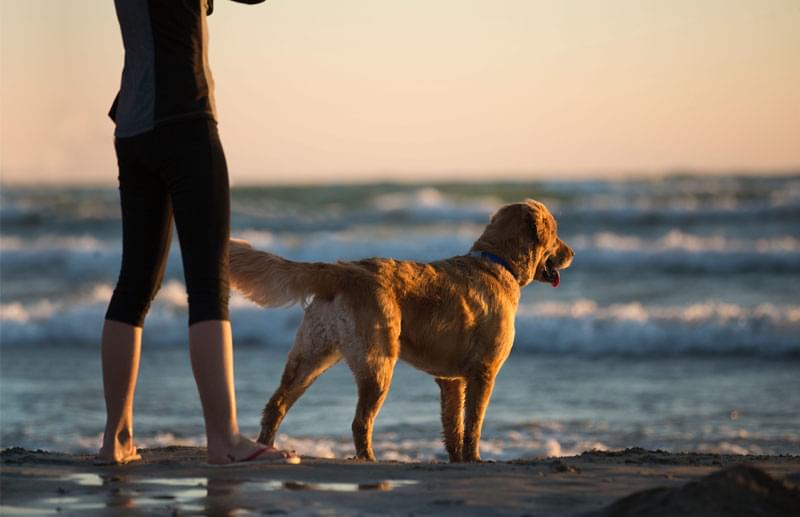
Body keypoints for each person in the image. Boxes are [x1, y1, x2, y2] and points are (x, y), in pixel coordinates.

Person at [96, 0, 298, 465]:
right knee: (208, 286)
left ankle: (116, 439)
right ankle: (224, 441)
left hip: (133, 127)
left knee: (134, 286)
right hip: (184, 119)